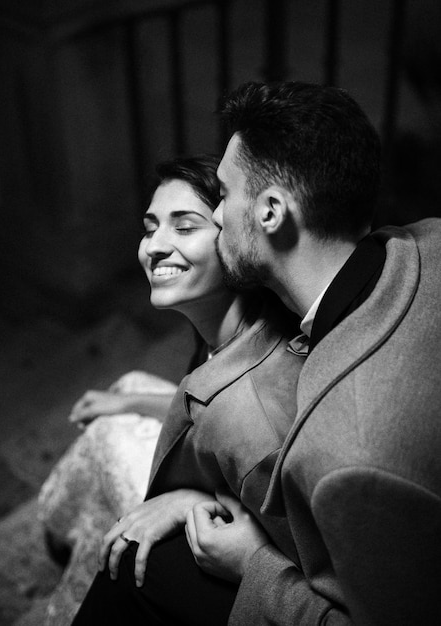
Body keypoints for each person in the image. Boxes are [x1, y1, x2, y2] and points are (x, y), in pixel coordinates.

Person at [184, 80, 441, 625]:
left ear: (272, 212)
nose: (214, 216)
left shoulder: (347, 452)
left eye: (225, 195)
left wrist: (255, 565)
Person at [71, 153, 304, 625]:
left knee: (106, 439)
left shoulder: (260, 403)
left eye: (185, 227)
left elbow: (293, 541)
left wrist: (191, 502)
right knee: (128, 386)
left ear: (236, 238)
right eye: (151, 225)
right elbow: (195, 410)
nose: (154, 245)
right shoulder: (227, 333)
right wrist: (131, 400)